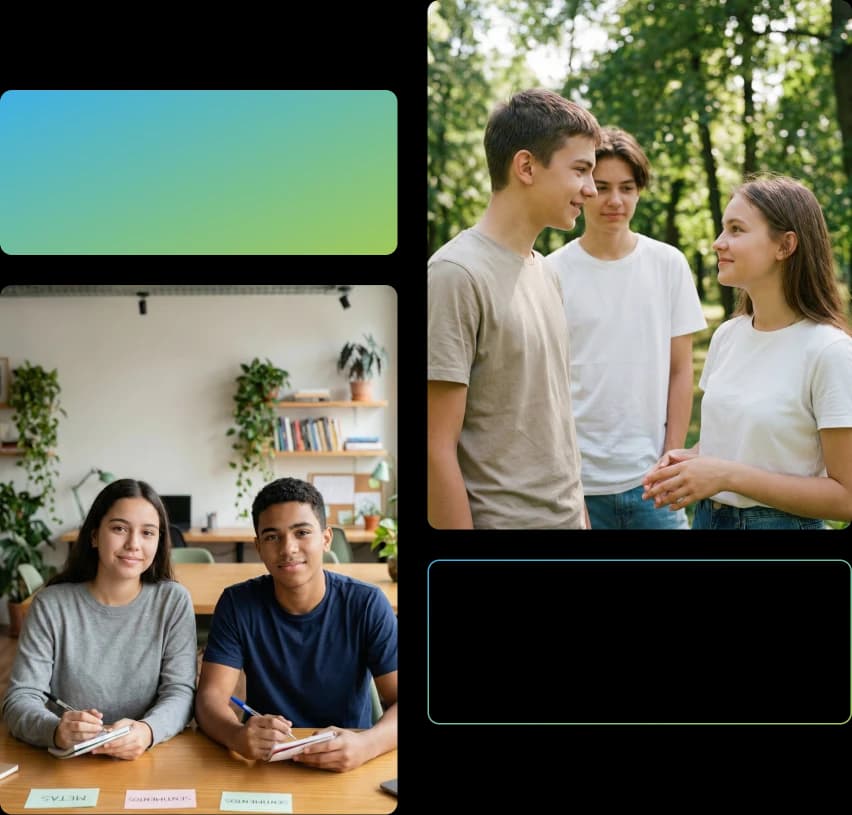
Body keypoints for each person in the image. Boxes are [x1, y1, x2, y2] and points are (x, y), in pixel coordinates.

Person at [428, 88, 600, 529]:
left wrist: (579, 517)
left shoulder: (548, 274)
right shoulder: (454, 274)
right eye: (580, 170)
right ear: (526, 166)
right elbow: (434, 447)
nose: (591, 189)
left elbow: (553, 417)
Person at [642, 175, 852, 529]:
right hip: (708, 520)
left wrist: (726, 475)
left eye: (736, 230)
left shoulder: (829, 352)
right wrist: (691, 461)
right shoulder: (727, 335)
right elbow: (739, 446)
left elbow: (845, 498)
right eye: (723, 229)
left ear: (785, 246)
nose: (717, 243)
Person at [548, 127, 707, 529]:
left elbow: (680, 369)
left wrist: (670, 458)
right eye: (601, 187)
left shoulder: (668, 264)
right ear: (583, 189)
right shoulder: (550, 272)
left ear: (639, 191)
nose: (614, 201)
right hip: (575, 486)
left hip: (653, 482)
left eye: (627, 187)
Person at [194, 477, 397, 772]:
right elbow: (209, 699)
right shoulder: (238, 604)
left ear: (326, 538)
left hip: (348, 759)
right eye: (272, 536)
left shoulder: (366, 604)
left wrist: (367, 745)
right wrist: (237, 735)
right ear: (258, 546)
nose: (288, 548)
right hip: (269, 761)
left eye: (301, 532)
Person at [2, 478, 197, 759]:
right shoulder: (51, 604)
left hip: (147, 756)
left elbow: (180, 692)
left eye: (148, 533)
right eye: (119, 528)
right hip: (66, 762)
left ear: (159, 541)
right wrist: (56, 729)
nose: (133, 544)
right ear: (94, 536)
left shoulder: (173, 601)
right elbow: (20, 699)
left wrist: (147, 730)